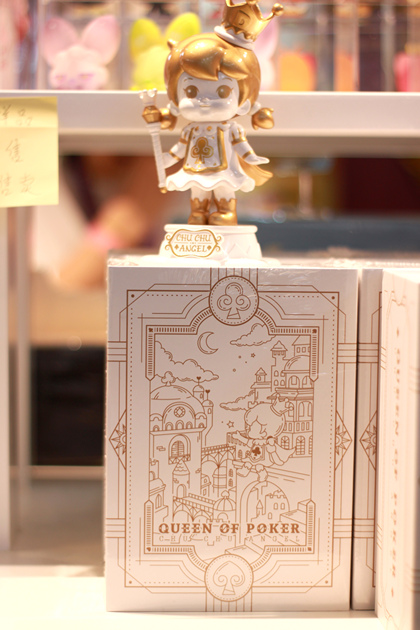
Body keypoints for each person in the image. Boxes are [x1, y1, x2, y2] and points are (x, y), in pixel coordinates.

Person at [143, 1, 283, 226]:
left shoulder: (230, 128)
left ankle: (226, 212)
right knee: (197, 191)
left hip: (223, 170)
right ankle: (198, 212)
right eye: (191, 91)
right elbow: (180, 149)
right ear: (175, 98)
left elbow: (240, 145)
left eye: (222, 92)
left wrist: (251, 158)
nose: (205, 100)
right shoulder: (190, 130)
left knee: (223, 189)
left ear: (243, 104)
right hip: (195, 169)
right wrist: (165, 159)